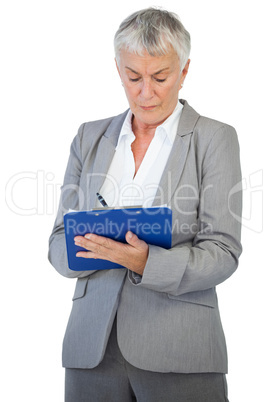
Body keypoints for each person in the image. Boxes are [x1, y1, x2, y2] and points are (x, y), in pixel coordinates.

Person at [48, 7, 242, 402]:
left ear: (184, 72)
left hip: (180, 350)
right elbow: (56, 243)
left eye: (160, 77)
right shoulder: (89, 137)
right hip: (91, 351)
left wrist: (144, 262)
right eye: (134, 77)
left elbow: (223, 252)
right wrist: (91, 250)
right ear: (119, 70)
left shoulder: (214, 138)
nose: (146, 92)